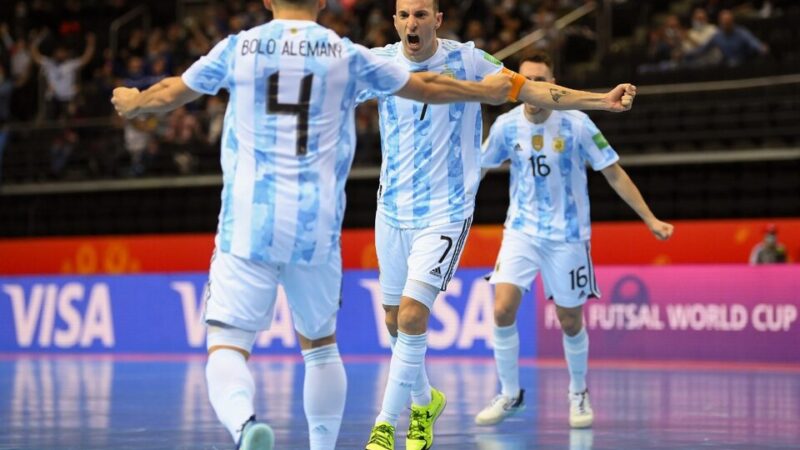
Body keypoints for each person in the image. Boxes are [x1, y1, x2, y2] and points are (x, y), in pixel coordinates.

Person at [110, 1, 513, 449]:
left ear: (267, 1)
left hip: (249, 222)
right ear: (322, 2)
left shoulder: (239, 47)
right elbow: (429, 85)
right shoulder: (345, 53)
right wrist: (487, 91)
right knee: (321, 348)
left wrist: (135, 101)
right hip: (315, 226)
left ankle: (246, 424)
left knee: (226, 344)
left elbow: (171, 93)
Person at [358, 2, 637, 449]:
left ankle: (386, 426)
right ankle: (426, 400)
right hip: (390, 209)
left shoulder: (469, 60)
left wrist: (600, 100)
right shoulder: (379, 63)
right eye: (404, 15)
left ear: (438, 20)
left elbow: (533, 91)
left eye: (421, 14)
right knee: (393, 320)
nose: (413, 23)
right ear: (395, 21)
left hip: (445, 210)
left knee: (412, 314)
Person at [474, 51, 672, 430]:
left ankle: (578, 391)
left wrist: (649, 218)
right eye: (526, 81)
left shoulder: (577, 125)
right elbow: (478, 171)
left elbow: (613, 173)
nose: (533, 89)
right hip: (521, 231)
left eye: (541, 81)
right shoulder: (505, 126)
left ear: (553, 85)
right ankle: (509, 392)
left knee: (569, 320)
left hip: (567, 236)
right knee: (501, 309)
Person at [30, 30, 95, 119]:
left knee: (71, 118)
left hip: (68, 98)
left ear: (66, 53)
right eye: (58, 52)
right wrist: (36, 41)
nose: (60, 54)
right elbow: (35, 55)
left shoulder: (71, 64)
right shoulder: (49, 63)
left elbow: (85, 59)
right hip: (53, 98)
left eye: (62, 52)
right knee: (50, 120)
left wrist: (90, 45)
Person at [686, 9, 767, 67]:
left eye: (728, 22)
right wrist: (687, 54)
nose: (726, 25)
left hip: (745, 64)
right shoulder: (717, 36)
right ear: (720, 22)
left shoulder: (741, 32)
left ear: (732, 21)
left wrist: (761, 47)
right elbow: (702, 49)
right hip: (728, 66)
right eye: (724, 23)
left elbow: (753, 42)